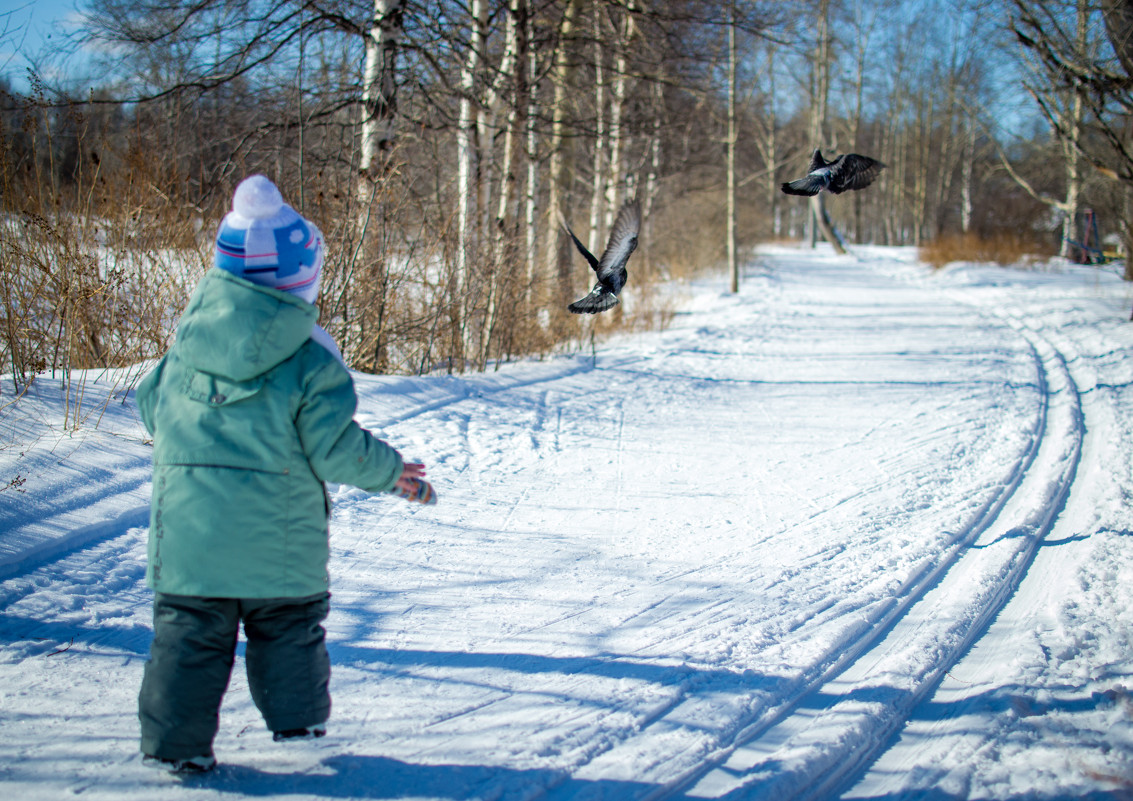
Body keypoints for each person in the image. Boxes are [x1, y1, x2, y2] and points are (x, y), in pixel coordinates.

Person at [134, 174, 427, 774]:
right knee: (288, 629)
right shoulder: (312, 360)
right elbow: (335, 449)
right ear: (301, 281)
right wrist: (391, 471)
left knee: (187, 640)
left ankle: (175, 751)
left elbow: (149, 409)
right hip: (279, 545)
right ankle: (298, 729)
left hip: (190, 540)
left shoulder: (184, 348)